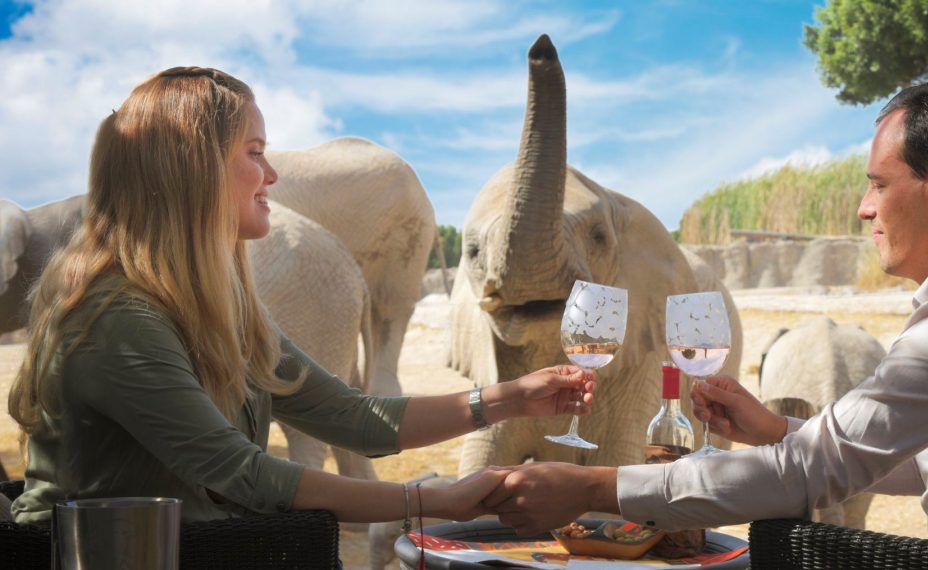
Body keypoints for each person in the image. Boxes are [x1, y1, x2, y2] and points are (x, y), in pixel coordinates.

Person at [484, 78, 928, 542]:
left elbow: (805, 476)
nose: (864, 210)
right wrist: (774, 430)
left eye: (878, 185)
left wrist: (598, 487)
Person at [6, 66, 595, 527]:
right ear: (194, 168)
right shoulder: (116, 316)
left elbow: (350, 415)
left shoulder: (221, 308)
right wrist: (429, 500)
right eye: (254, 153)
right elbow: (243, 475)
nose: (272, 175)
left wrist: (512, 398)